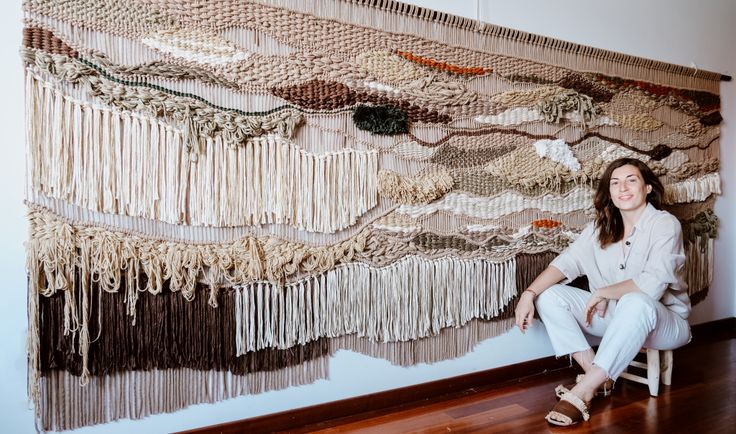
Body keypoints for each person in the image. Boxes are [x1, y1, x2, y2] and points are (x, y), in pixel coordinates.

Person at [514, 158, 691, 426]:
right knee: (549, 295)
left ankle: (584, 390)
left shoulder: (665, 224)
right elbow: (567, 263)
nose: (623, 188)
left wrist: (605, 292)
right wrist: (529, 294)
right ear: (609, 193)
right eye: (615, 183)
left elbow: (654, 283)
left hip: (664, 323)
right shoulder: (600, 228)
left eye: (631, 180)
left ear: (647, 188)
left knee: (636, 301)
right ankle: (598, 375)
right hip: (614, 318)